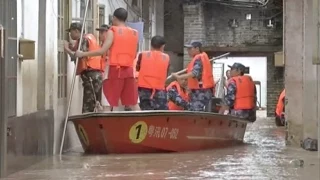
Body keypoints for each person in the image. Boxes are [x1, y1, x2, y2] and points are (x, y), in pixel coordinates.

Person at [75, 8, 140, 111]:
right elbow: (135, 53)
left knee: (108, 103)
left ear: (114, 18)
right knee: (133, 103)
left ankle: (106, 127)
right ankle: (141, 124)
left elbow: (102, 51)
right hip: (129, 71)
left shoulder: (112, 31)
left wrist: (82, 53)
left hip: (114, 70)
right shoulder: (134, 33)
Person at [64, 22, 104, 113]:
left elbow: (79, 56)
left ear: (77, 31)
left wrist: (67, 49)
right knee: (95, 102)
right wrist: (71, 47)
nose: (70, 34)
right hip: (95, 75)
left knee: (89, 104)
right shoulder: (89, 38)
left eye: (71, 32)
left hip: (91, 75)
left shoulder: (83, 39)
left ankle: (89, 125)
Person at [171, 41, 214, 111]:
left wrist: (179, 77)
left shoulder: (198, 58)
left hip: (201, 92)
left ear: (197, 49)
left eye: (190, 49)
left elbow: (194, 73)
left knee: (197, 114)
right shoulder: (199, 58)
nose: (188, 51)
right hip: (200, 91)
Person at [136, 35, 170, 110]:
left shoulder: (142, 55)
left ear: (151, 45)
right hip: (159, 90)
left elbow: (137, 68)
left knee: (145, 113)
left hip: (143, 89)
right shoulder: (166, 57)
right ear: (162, 46)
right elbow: (166, 72)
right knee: (160, 114)